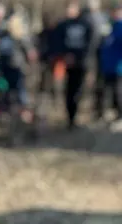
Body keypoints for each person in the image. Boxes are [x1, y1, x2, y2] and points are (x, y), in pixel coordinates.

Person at [52, 1, 97, 129]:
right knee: (68, 90)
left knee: (78, 90)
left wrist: (80, 57)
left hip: (81, 63)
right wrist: (64, 55)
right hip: (66, 63)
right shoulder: (63, 25)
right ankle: (69, 118)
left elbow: (91, 44)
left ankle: (75, 115)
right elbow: (57, 42)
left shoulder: (86, 24)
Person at [95, 2, 122, 121]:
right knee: (104, 90)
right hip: (105, 65)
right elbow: (100, 45)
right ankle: (102, 113)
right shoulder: (107, 26)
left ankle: (119, 115)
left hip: (119, 66)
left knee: (118, 92)